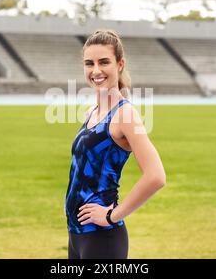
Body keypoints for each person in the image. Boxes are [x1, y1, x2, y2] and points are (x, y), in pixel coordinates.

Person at [64, 29, 166, 259]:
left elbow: (156, 176)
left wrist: (112, 215)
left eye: (104, 62)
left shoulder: (126, 114)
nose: (96, 70)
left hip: (102, 239)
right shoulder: (93, 112)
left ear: (120, 64)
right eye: (89, 63)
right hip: (77, 236)